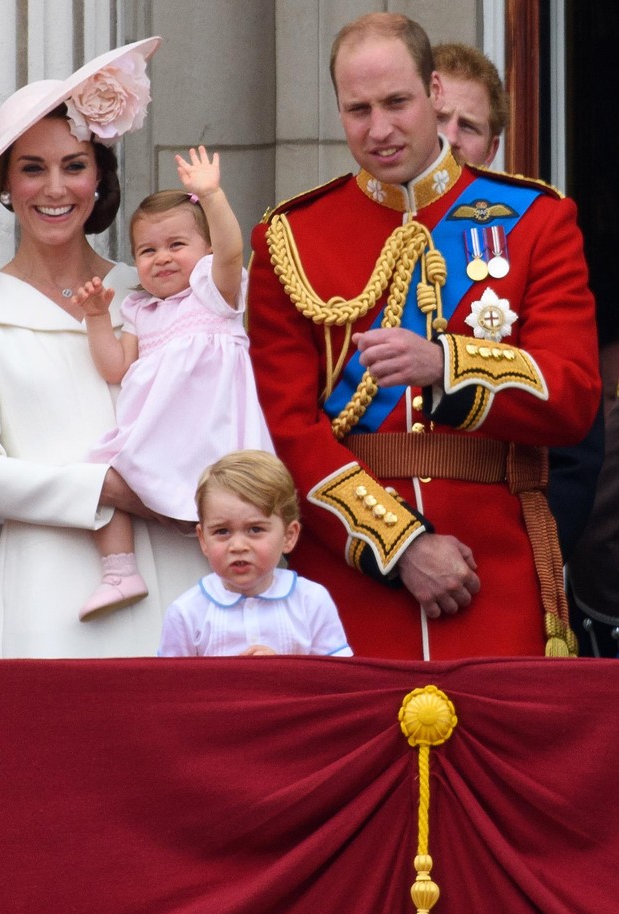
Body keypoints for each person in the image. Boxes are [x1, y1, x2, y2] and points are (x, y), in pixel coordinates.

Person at [247, 13, 601, 660]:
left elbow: (572, 394)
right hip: (346, 580)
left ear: (434, 91)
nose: (379, 129)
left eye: (396, 103)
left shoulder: (536, 220)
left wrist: (446, 365)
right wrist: (400, 544)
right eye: (358, 110)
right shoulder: (291, 238)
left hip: (491, 569)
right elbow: (286, 431)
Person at [0, 37, 211, 659]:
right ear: (6, 184)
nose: (55, 188)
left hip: (184, 579)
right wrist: (109, 489)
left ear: (99, 177)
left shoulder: (149, 288)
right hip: (52, 595)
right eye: (32, 168)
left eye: (74, 166)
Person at [74, 146, 274, 621]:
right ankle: (120, 570)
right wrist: (98, 318)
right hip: (158, 437)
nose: (161, 258)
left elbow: (231, 248)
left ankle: (249, 589)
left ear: (205, 252)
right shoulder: (139, 309)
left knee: (235, 510)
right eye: (147, 250)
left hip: (212, 437)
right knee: (99, 474)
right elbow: (114, 368)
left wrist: (212, 196)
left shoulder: (214, 292)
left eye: (176, 245)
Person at [432, 41, 605, 565]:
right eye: (439, 118)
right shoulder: (341, 230)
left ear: (492, 148)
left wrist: (525, 559)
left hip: (498, 545)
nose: (450, 138)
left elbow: (574, 445)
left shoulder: (535, 230)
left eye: (468, 126)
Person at [158, 450, 353, 657]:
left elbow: (338, 674)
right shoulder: (186, 613)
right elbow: (170, 677)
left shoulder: (311, 601)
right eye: (222, 531)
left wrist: (282, 669)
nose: (238, 546)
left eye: (255, 529)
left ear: (288, 536)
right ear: (203, 539)